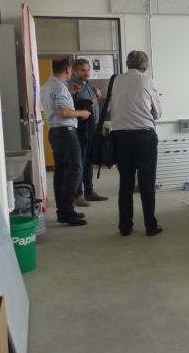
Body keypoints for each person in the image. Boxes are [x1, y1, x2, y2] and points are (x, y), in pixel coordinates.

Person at [109, 51, 163, 237]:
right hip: (143, 136)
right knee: (147, 182)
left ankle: (124, 226)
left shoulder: (116, 80)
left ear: (128, 63)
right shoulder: (146, 81)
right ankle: (150, 226)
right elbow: (158, 112)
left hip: (121, 137)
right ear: (144, 65)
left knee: (125, 183)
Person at [40, 57, 90, 226]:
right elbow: (63, 112)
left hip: (55, 132)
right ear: (68, 69)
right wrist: (82, 113)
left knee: (61, 172)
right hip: (66, 132)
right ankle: (67, 210)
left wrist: (70, 93)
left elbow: (52, 106)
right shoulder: (59, 87)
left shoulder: (48, 86)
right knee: (75, 170)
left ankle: (63, 211)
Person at [69, 59, 109, 207]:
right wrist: (89, 102)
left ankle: (89, 191)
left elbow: (91, 101)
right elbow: (70, 106)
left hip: (91, 128)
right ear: (75, 71)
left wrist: (96, 94)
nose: (86, 73)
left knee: (87, 161)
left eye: (88, 70)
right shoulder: (72, 86)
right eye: (82, 70)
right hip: (80, 129)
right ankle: (77, 194)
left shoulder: (87, 84)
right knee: (79, 162)